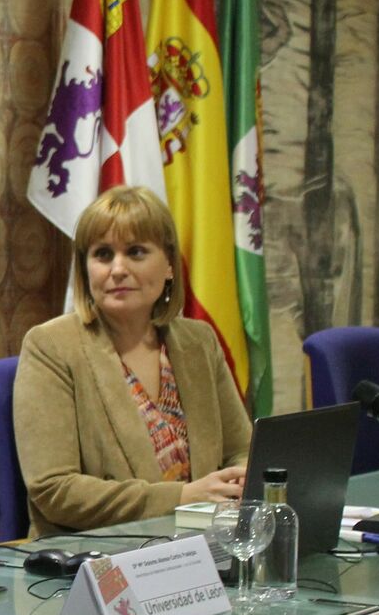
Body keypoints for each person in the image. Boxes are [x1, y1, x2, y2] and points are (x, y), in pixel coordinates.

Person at [14, 186, 251, 535]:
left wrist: (241, 480)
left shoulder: (199, 341)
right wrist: (183, 497)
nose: (118, 268)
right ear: (85, 269)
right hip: (96, 561)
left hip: (208, 547)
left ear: (169, 264)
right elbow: (54, 489)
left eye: (136, 252)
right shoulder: (51, 347)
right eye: (103, 254)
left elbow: (241, 451)